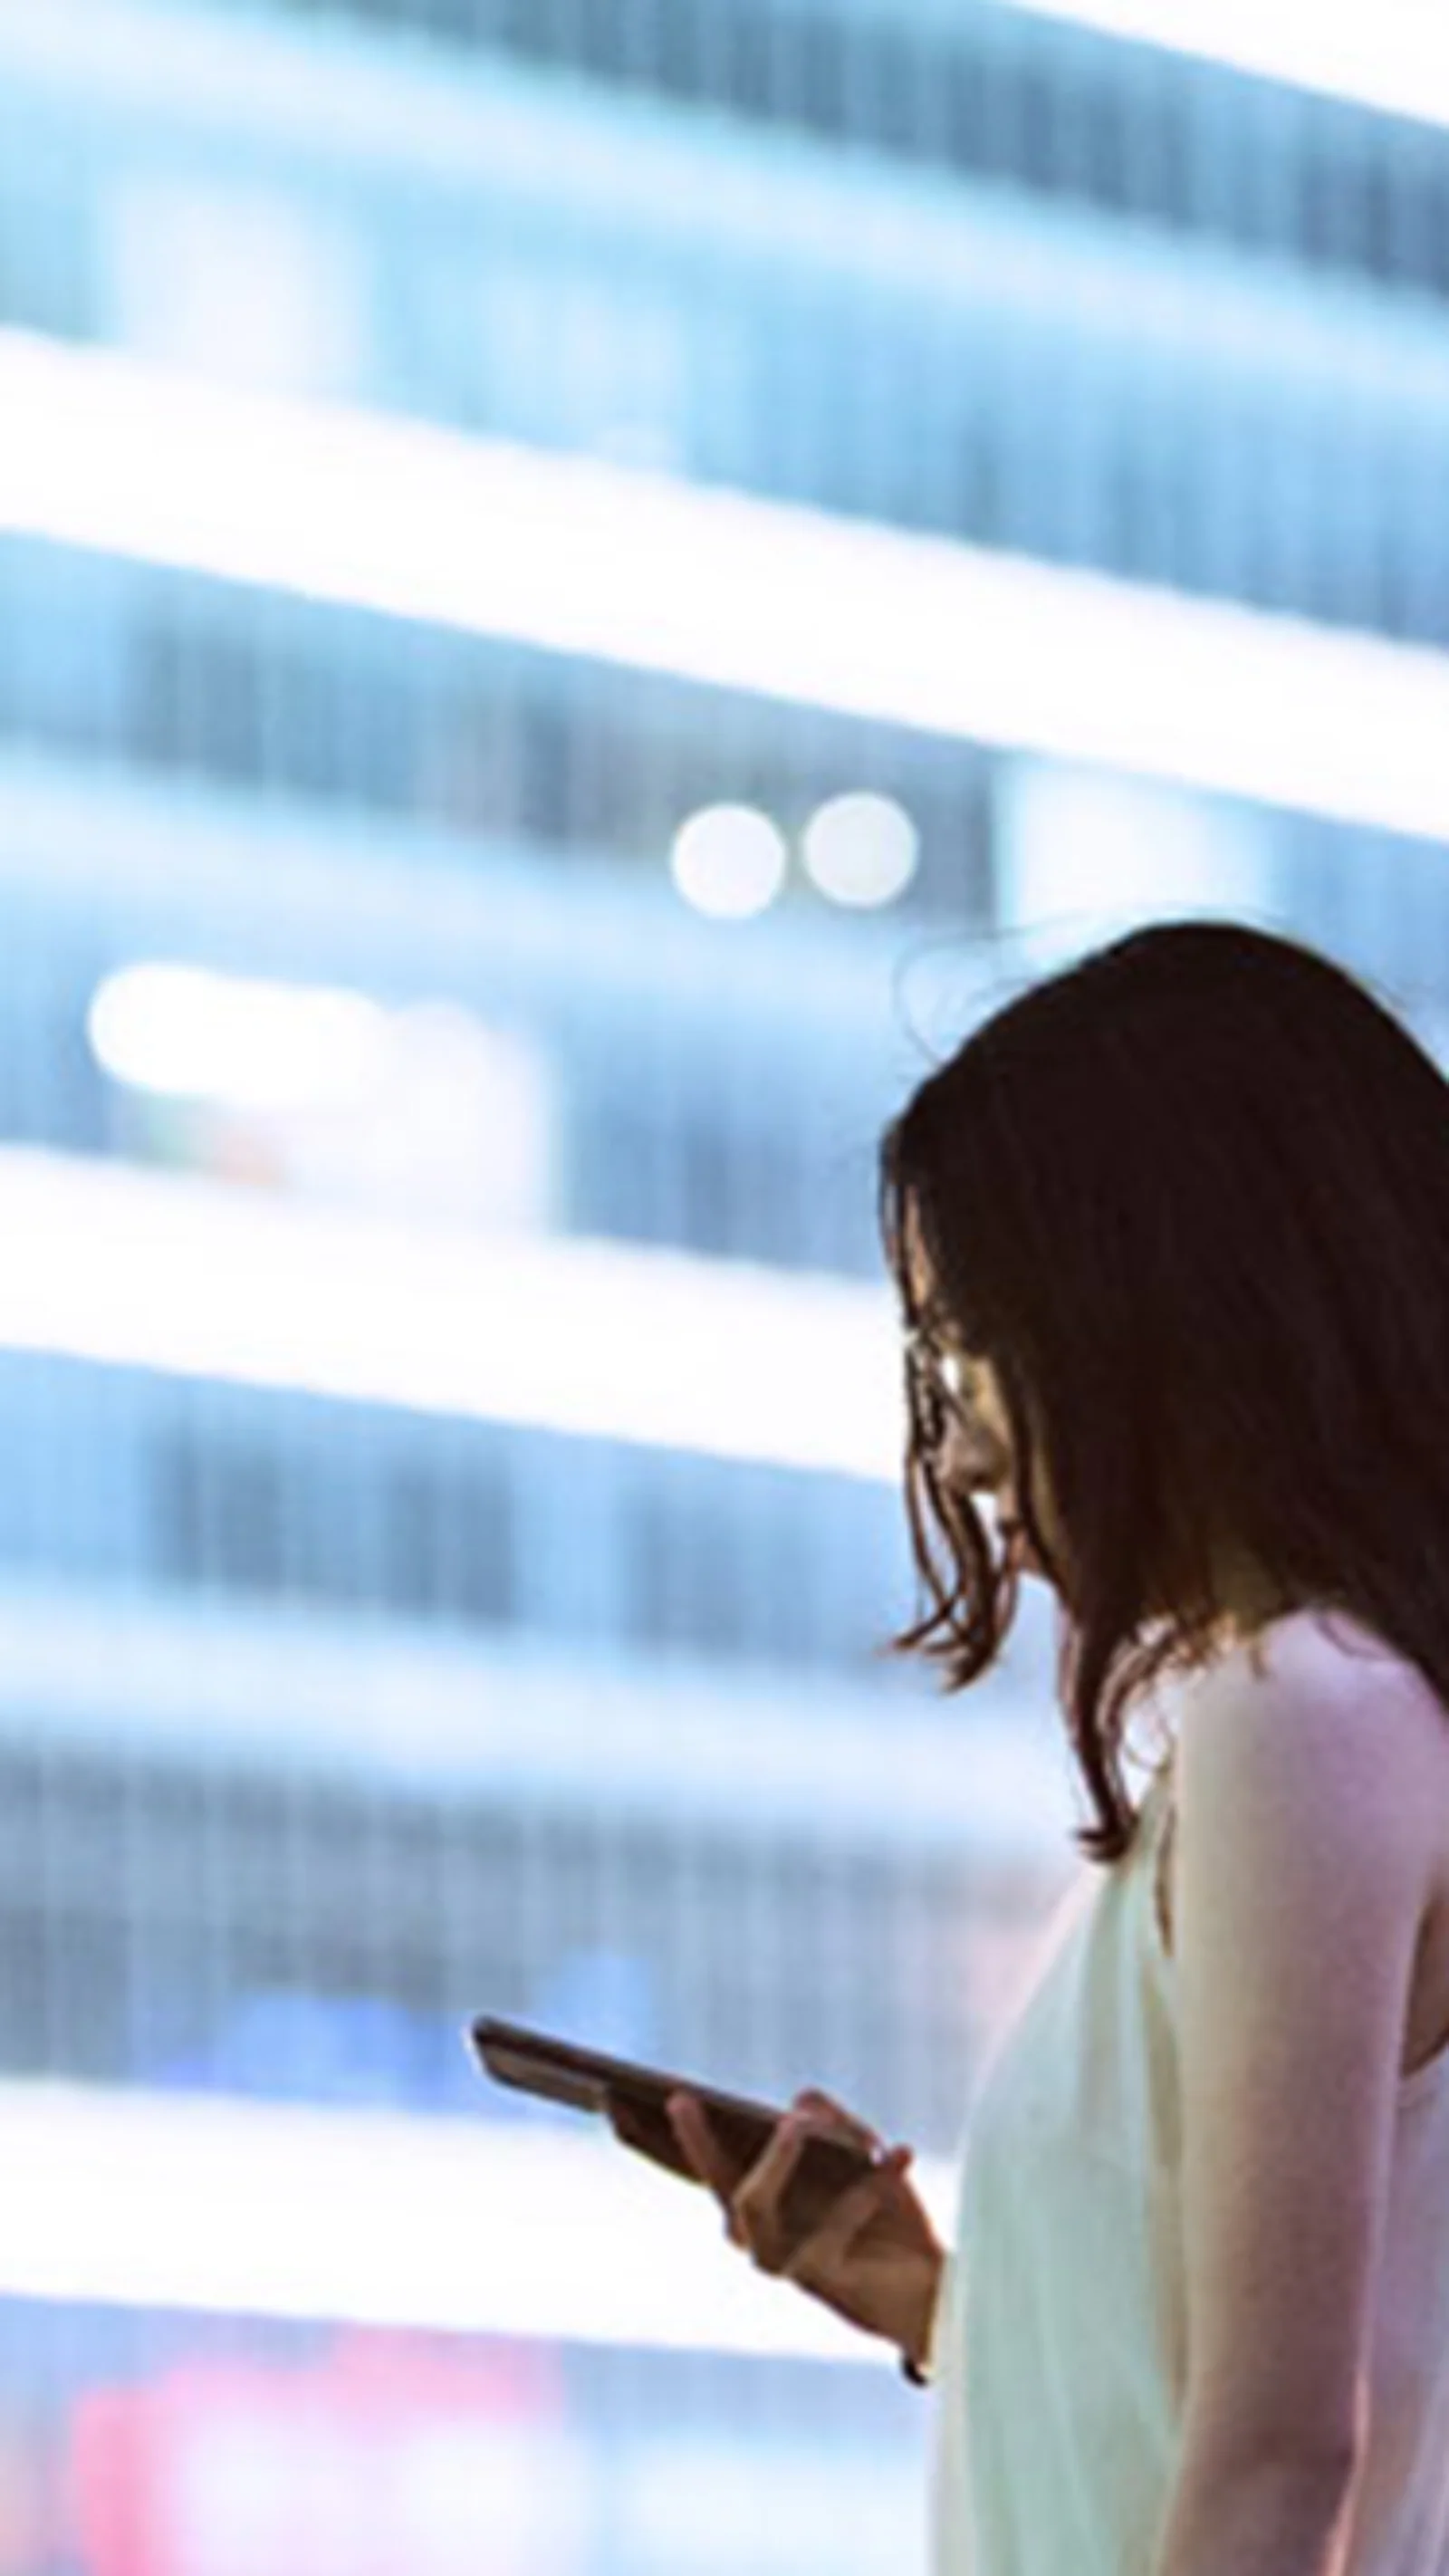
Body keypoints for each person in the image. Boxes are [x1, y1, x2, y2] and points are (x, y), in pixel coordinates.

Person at [609, 918, 1449, 2574]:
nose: (963, 1440)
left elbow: (1284, 2456)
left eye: (969, 1335)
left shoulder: (1309, 1709)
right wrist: (945, 2302)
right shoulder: (1321, 1712)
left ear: (1149, 1304)